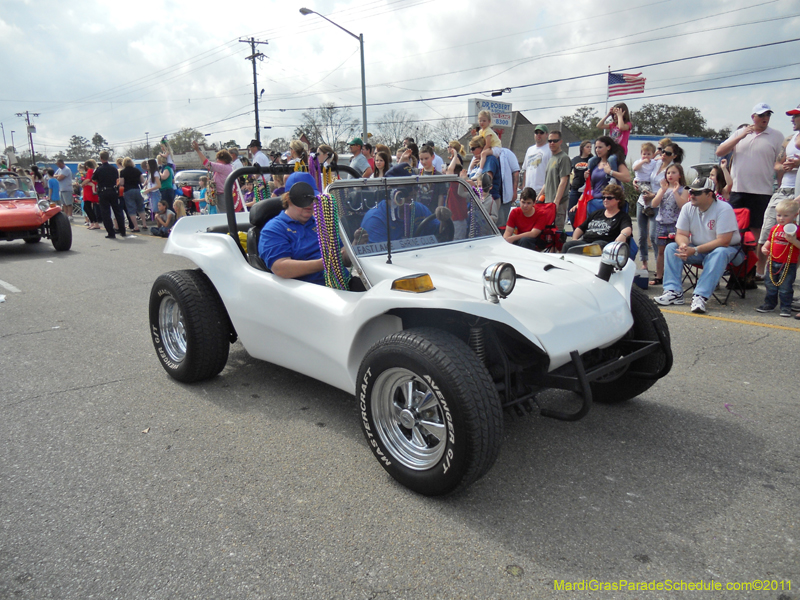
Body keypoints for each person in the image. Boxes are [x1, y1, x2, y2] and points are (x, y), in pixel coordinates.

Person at [715, 103, 784, 280]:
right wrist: (741, 136)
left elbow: (779, 164)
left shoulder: (776, 136)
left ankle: (753, 271)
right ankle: (734, 268)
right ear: (753, 117)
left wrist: (780, 184)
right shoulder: (741, 133)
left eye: (767, 115)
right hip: (739, 190)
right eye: (761, 115)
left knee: (756, 233)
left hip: (762, 191)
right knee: (734, 231)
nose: (765, 118)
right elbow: (720, 151)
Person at [654, 176, 742, 314]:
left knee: (719, 252)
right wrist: (683, 245)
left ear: (709, 194)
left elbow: (723, 241)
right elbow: (680, 234)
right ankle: (673, 292)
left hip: (730, 251)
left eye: (697, 192)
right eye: (691, 191)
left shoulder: (724, 208)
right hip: (699, 250)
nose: (692, 195)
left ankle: (700, 296)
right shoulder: (687, 207)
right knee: (671, 248)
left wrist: (694, 250)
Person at [258, 172, 327, 285]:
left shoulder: (322, 223)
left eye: (313, 198)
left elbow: (343, 254)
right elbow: (280, 268)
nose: (310, 203)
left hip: (341, 283)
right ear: (288, 198)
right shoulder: (273, 229)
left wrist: (354, 245)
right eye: (304, 199)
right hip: (307, 289)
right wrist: (326, 263)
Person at [755, 105, 800, 278]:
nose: (792, 119)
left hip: (799, 191)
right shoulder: (789, 139)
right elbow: (777, 164)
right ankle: (760, 273)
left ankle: (788, 276)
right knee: (768, 230)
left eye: (796, 116)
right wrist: (785, 166)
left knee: (795, 235)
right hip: (784, 190)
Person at [756, 198, 799, 317]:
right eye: (779, 215)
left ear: (795, 215)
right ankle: (769, 304)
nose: (781, 218)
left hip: (788, 263)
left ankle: (786, 307)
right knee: (770, 284)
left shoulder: (797, 230)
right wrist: (765, 248)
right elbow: (770, 240)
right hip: (772, 261)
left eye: (785, 215)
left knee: (785, 287)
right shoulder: (775, 228)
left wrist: (794, 241)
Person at [649, 164, 689, 285]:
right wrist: (662, 190)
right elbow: (654, 204)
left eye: (673, 172)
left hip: (675, 225)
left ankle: (673, 277)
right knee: (660, 251)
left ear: (680, 175)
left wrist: (675, 192)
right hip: (661, 224)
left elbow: (683, 206)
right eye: (668, 173)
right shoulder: (663, 188)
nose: (670, 175)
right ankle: (659, 275)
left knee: (674, 251)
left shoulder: (684, 189)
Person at [563, 184, 632, 253]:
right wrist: (574, 239)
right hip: (585, 242)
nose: (605, 200)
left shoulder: (622, 216)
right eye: (603, 198)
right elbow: (580, 228)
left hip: (604, 245)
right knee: (567, 245)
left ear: (618, 200)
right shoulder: (596, 213)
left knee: (596, 245)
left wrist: (623, 235)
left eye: (609, 198)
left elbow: (627, 229)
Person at [580, 136, 631, 215]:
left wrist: (610, 172)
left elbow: (627, 178)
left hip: (611, 203)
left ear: (608, 147)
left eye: (600, 147)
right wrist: (587, 178)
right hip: (595, 202)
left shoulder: (615, 162)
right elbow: (592, 185)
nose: (597, 150)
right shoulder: (594, 163)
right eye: (596, 147)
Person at [633, 142, 658, 270]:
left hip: (652, 193)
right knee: (642, 234)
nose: (646, 156)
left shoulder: (655, 163)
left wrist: (656, 155)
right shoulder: (639, 162)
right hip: (642, 190)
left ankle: (659, 262)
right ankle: (644, 261)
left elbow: (660, 159)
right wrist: (643, 161)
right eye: (644, 154)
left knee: (653, 235)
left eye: (648, 154)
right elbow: (635, 168)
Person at [192, 141, 236, 213]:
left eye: (217, 159)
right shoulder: (230, 166)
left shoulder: (222, 167)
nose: (216, 161)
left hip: (222, 195)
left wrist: (198, 150)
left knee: (224, 214)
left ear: (221, 159)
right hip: (226, 194)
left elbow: (207, 164)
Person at [92, 151, 126, 239]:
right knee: (117, 211)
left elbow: (94, 179)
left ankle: (111, 232)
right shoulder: (113, 169)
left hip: (103, 192)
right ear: (108, 157)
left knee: (106, 213)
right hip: (113, 191)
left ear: (101, 158)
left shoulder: (99, 169)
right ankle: (122, 231)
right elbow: (116, 178)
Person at [467, 136, 502, 223]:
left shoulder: (490, 159)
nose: (471, 151)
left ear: (481, 147)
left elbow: (487, 181)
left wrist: (474, 185)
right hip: (478, 199)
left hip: (489, 200)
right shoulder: (476, 162)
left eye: (473, 148)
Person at [543, 130, 571, 230]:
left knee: (556, 233)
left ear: (560, 142)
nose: (552, 143)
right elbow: (547, 182)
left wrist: (556, 202)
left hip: (558, 203)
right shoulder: (551, 158)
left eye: (555, 141)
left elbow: (563, 181)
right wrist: (537, 198)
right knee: (547, 233)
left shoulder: (563, 158)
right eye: (550, 141)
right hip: (548, 203)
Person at [521, 124, 551, 196]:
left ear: (547, 135)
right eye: (536, 133)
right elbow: (525, 170)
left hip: (542, 191)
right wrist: (523, 188)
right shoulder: (530, 149)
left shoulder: (550, 149)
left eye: (541, 133)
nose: (538, 135)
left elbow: (551, 173)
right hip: (528, 191)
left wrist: (543, 191)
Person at [567, 141, 593, 227]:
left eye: (590, 147)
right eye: (587, 147)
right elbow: (569, 172)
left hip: (586, 189)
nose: (589, 149)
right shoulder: (575, 159)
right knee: (571, 210)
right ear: (582, 148)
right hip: (575, 187)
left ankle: (583, 229)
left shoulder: (592, 159)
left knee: (584, 211)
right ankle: (575, 229)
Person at [119, 157, 147, 232]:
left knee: (131, 209)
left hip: (128, 190)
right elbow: (142, 180)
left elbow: (122, 183)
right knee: (141, 207)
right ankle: (144, 224)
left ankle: (136, 227)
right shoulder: (137, 170)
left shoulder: (123, 172)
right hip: (137, 189)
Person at [81, 159, 101, 230]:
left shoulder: (90, 171)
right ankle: (92, 222)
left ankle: (95, 223)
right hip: (88, 189)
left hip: (89, 190)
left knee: (88, 207)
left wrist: (82, 184)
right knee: (86, 207)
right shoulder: (92, 171)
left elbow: (88, 179)